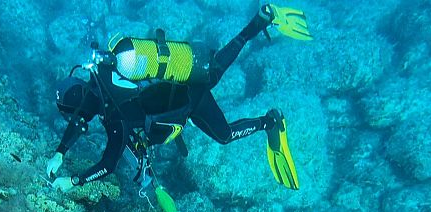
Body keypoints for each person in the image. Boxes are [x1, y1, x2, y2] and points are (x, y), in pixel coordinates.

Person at [46, 3, 312, 196]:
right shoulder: (100, 74)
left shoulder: (116, 119)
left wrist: (73, 182)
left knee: (225, 135)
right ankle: (260, 20)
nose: (78, 118)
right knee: (216, 67)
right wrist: (59, 153)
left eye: (73, 114)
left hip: (191, 100)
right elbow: (81, 118)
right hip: (182, 77)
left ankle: (270, 122)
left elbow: (106, 166)